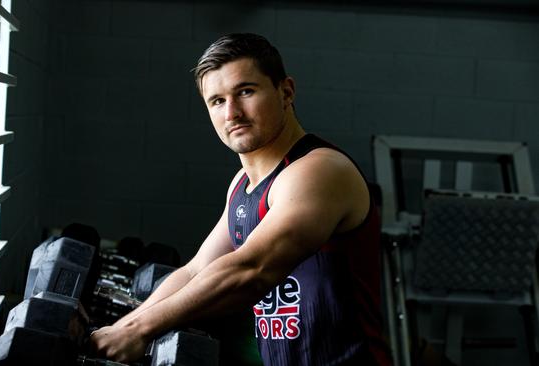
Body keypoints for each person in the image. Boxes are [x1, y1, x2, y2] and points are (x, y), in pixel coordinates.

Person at [91, 33, 392, 366]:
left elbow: (252, 269)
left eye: (245, 91)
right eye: (217, 101)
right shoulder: (242, 185)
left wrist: (138, 331)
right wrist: (119, 330)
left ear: (286, 91)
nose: (231, 112)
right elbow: (194, 272)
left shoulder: (318, 170)